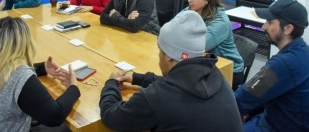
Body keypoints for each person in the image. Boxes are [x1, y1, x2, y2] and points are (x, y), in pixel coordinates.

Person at [99, 10, 242, 132]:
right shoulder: (216, 75)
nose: (159, 55)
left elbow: (111, 116)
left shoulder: (157, 97)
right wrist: (138, 78)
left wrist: (111, 83)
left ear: (168, 57)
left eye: (160, 51)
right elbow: (181, 84)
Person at [235, 0, 309, 132]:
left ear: (288, 28)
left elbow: (240, 100)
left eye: (270, 22)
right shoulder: (304, 52)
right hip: (282, 117)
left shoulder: (283, 64)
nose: (264, 27)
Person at [185, 0, 244, 89]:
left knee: (185, 82)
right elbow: (171, 28)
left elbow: (201, 45)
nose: (189, 0)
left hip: (228, 68)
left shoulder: (221, 21)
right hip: (204, 62)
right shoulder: (191, 10)